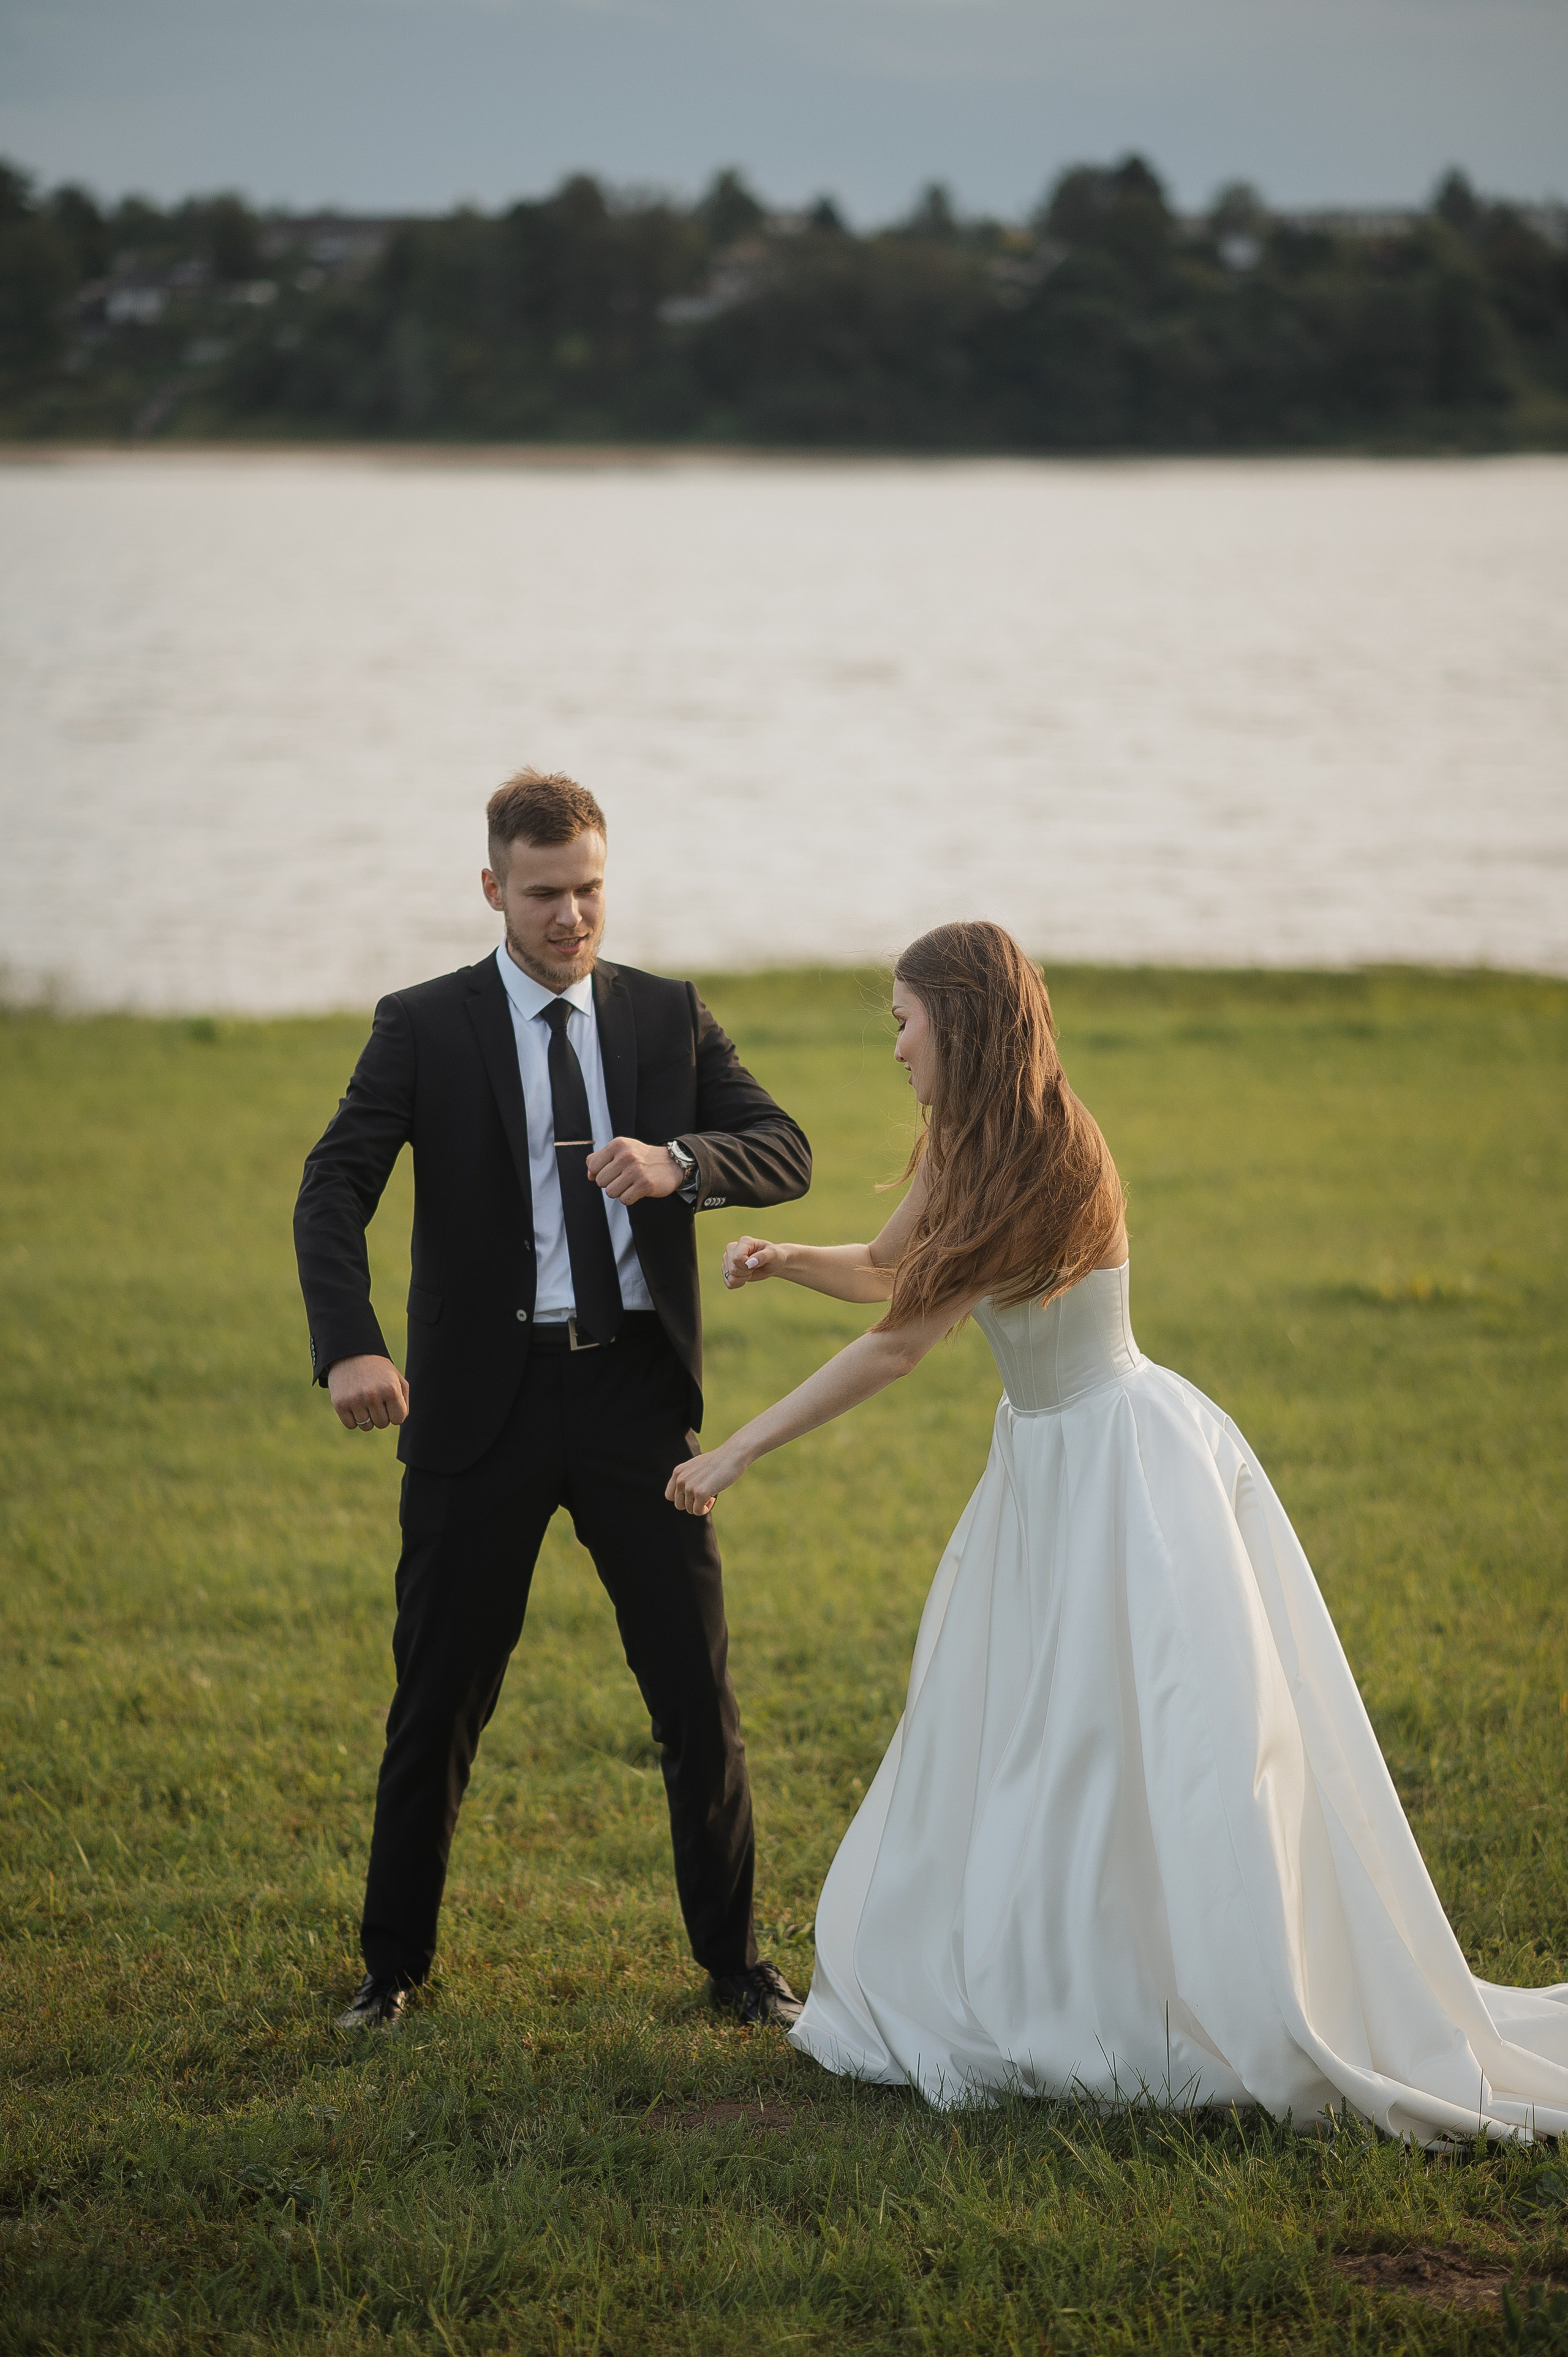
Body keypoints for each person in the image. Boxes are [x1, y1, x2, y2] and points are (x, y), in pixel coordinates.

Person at [668, 919, 1568, 2136]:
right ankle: (1057, 1962)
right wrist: (786, 1257)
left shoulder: (1043, 1159)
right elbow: (892, 1266)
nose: (892, 1048)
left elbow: (902, 1340)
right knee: (1027, 1735)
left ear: (959, 1021)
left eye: (901, 1021)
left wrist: (737, 1448)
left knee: (1131, 1746)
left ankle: (1151, 1987)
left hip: (1119, 1466)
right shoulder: (960, 1138)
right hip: (1040, 1465)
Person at [295, 768, 812, 2032]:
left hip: (636, 1399)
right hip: (481, 1409)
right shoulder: (422, 1025)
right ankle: (391, 1968)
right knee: (439, 1696)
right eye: (542, 895)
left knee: (693, 1692)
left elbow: (784, 1152)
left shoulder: (665, 1017)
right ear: (492, 890)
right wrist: (349, 1347)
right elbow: (332, 1187)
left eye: (587, 890)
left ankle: (736, 1968)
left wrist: (682, 1159)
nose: (570, 917)